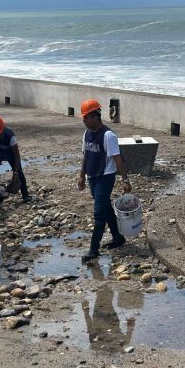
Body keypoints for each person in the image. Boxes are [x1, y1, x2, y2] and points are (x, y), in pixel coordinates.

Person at [76, 99, 131, 263]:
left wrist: (125, 180)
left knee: (99, 213)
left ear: (94, 116)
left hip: (105, 178)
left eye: (86, 117)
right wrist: (81, 175)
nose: (83, 120)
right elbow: (86, 155)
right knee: (106, 207)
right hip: (92, 177)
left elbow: (118, 159)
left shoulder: (108, 136)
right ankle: (117, 237)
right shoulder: (87, 133)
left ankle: (93, 250)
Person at [0, 115, 30, 204]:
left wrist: (15, 172)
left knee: (20, 174)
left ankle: (25, 195)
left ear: (3, 128)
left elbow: (16, 155)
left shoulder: (11, 137)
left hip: (10, 155)